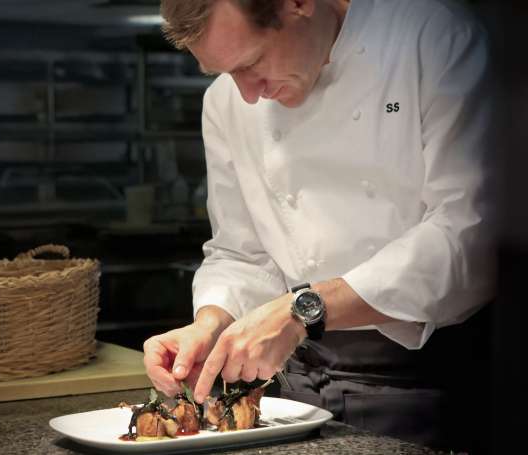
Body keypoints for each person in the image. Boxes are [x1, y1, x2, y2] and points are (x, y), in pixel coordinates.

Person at [143, 0, 496, 451]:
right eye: (224, 74)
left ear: (299, 4)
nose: (247, 94)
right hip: (294, 394)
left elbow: (472, 233)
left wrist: (301, 310)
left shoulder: (436, 38)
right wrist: (210, 326)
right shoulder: (227, 102)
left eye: (252, 63)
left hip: (428, 384)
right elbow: (241, 252)